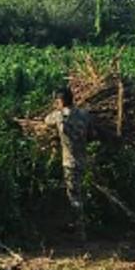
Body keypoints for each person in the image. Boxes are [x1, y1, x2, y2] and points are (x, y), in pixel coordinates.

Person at [44, 86, 92, 239]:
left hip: (70, 162)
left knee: (74, 196)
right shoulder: (84, 114)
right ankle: (73, 224)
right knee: (77, 192)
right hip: (83, 160)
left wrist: (57, 110)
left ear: (60, 101)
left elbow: (46, 121)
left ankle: (80, 231)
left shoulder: (59, 116)